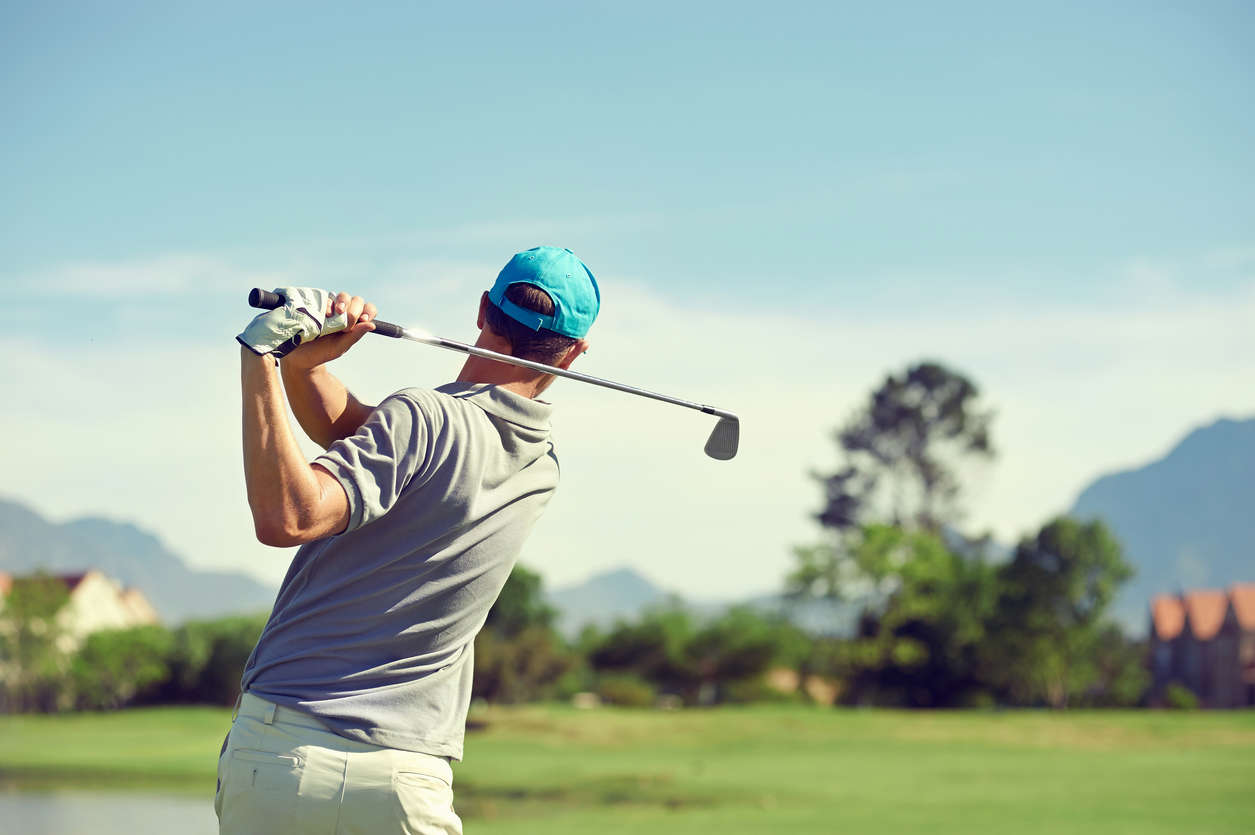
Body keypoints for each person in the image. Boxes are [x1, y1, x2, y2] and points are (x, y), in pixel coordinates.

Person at [218, 246, 600, 834]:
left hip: (284, 749)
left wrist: (264, 356)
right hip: (407, 779)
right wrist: (306, 369)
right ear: (574, 354)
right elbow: (364, 439)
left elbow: (288, 517)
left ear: (482, 310)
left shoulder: (423, 417)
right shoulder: (540, 464)